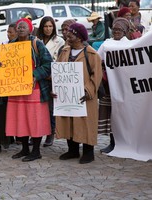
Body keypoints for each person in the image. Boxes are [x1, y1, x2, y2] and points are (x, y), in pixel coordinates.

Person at [6, 18, 52, 162]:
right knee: (20, 119)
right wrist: (1, 65)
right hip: (16, 89)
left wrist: (34, 74)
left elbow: (48, 64)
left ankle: (36, 150)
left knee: (34, 119)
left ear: (30, 29)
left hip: (34, 88)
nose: (20, 29)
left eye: (24, 27)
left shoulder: (36, 44)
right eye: (19, 27)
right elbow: (7, 66)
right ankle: (25, 148)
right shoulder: (10, 46)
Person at [56, 23, 102, 164]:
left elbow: (97, 75)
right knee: (69, 121)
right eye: (68, 33)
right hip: (67, 95)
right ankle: (73, 150)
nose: (68, 35)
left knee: (86, 122)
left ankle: (88, 152)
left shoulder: (91, 54)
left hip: (85, 96)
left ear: (80, 37)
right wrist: (56, 88)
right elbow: (57, 71)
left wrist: (87, 90)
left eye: (72, 34)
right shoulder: (64, 51)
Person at [97, 17, 132, 153]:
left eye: (120, 29)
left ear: (126, 31)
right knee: (112, 115)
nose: (116, 31)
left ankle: (124, 143)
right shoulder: (107, 44)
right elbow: (97, 60)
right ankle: (113, 143)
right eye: (115, 29)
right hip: (109, 87)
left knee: (123, 116)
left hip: (124, 87)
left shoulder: (130, 45)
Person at [37, 16, 65, 147]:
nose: (48, 29)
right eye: (45, 26)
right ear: (41, 28)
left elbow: (59, 60)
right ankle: (37, 133)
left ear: (54, 27)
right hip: (39, 77)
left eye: (50, 26)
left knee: (51, 108)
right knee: (39, 107)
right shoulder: (36, 41)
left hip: (52, 77)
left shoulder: (59, 41)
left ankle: (50, 133)